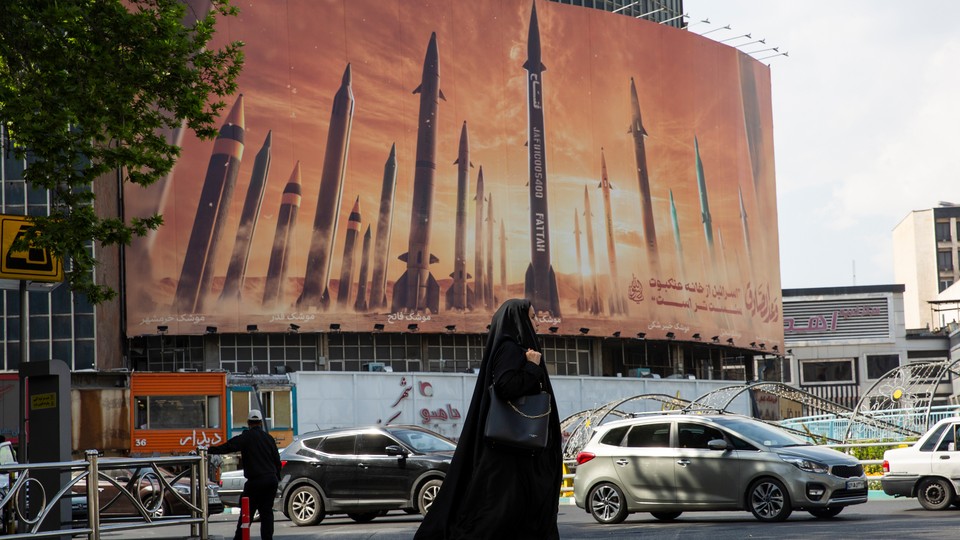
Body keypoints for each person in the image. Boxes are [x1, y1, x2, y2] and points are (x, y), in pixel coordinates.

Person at [415, 298, 562, 539]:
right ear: (517, 320)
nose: (538, 323)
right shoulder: (510, 348)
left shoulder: (514, 348)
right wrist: (532, 368)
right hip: (510, 451)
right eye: (532, 317)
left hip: (514, 452)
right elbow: (505, 386)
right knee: (496, 516)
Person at [208, 409, 282, 540]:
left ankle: (239, 538)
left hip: (255, 482)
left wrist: (210, 450)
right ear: (261, 423)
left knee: (247, 512)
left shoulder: (245, 437)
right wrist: (277, 478)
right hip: (270, 480)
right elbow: (277, 461)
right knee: (267, 513)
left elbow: (228, 447)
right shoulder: (269, 439)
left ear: (248, 423)